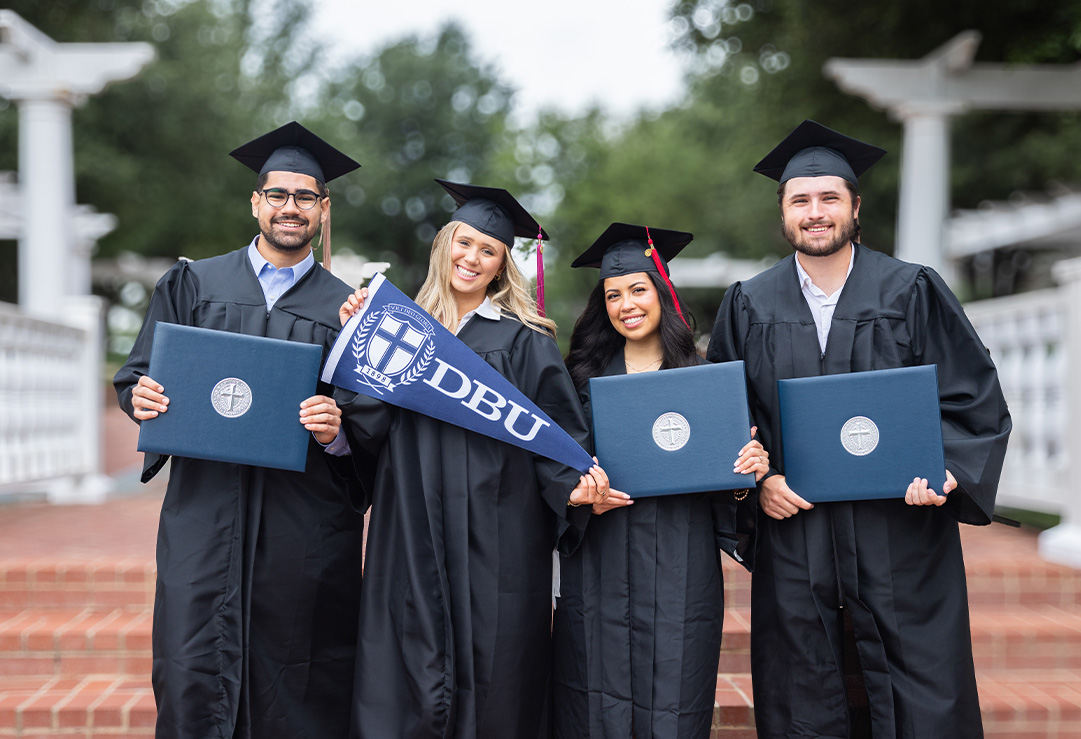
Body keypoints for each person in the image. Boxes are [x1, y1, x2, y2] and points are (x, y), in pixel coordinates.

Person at [707, 120, 1012, 738]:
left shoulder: (912, 289)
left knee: (921, 679)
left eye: (828, 199)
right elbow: (726, 416)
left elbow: (971, 395)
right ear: (784, 211)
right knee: (800, 683)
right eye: (801, 200)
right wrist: (757, 482)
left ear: (854, 205)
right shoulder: (750, 303)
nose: (815, 213)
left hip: (899, 523)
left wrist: (948, 469)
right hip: (797, 527)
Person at [113, 121, 367, 738]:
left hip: (303, 525)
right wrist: (140, 398)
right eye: (277, 195)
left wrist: (338, 430)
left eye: (305, 197)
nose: (290, 207)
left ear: (323, 210)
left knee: (299, 670)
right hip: (206, 511)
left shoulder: (349, 308)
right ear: (256, 202)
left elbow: (371, 426)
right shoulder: (194, 284)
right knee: (190, 661)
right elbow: (137, 376)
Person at [336, 180, 610, 739]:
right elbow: (367, 425)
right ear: (444, 246)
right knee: (405, 654)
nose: (472, 258)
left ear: (503, 264)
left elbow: (555, 434)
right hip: (411, 522)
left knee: (498, 665)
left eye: (489, 251)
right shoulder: (405, 327)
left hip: (499, 530)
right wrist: (354, 339)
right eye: (464, 244)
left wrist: (571, 485)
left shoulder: (524, 340)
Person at [551, 222, 769, 738]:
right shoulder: (579, 380)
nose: (626, 304)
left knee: (675, 691)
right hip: (599, 561)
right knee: (593, 696)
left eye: (637, 289)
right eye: (612, 294)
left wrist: (745, 471)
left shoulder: (704, 378)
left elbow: (729, 493)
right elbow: (551, 472)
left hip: (680, 559)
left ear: (662, 294)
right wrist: (577, 497)